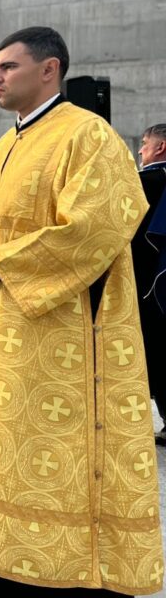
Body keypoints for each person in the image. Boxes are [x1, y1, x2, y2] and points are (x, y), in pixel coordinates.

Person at [0, 27, 162, 596]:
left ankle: (53, 579)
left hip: (57, 333)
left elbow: (97, 228)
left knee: (43, 454)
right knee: (1, 448)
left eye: (7, 67)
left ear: (49, 69)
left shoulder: (88, 136)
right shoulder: (2, 146)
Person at [133, 124, 166, 444]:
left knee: (155, 351)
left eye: (145, 143)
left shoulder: (145, 182)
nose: (141, 150)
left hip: (148, 283)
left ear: (161, 147)